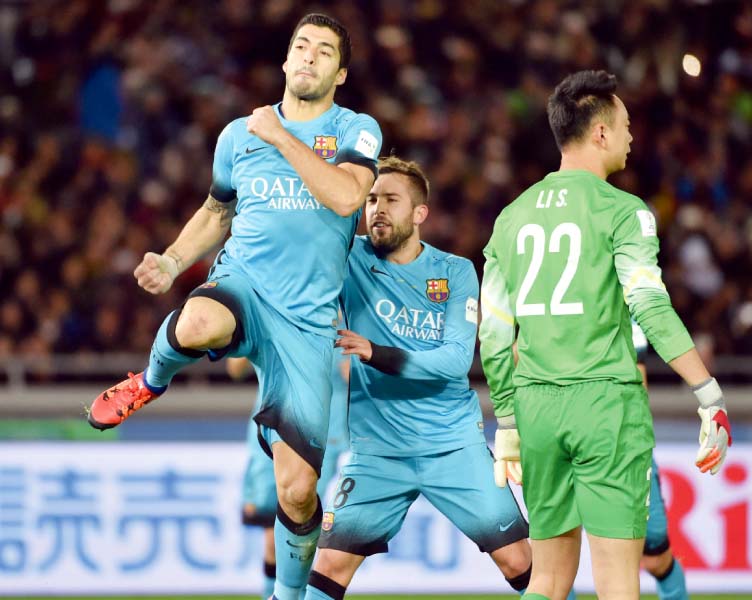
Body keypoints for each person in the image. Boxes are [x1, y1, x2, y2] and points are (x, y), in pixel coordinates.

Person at [87, 14, 382, 600]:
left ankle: (288, 595)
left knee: (297, 492)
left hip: (307, 323)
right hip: (244, 285)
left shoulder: (356, 128)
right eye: (301, 46)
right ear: (284, 60)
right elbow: (217, 211)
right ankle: (147, 382)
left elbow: (349, 194)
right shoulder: (236, 136)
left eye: (324, 52)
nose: (308, 57)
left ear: (340, 72)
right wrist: (172, 261)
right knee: (195, 321)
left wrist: (281, 137)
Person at [478, 70, 731, 600]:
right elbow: (649, 306)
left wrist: (507, 421)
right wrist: (708, 393)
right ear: (599, 133)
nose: (631, 137)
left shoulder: (510, 218)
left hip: (537, 408)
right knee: (618, 584)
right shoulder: (624, 212)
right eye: (625, 125)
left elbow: (496, 336)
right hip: (606, 407)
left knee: (546, 581)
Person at [303, 157, 533, 600]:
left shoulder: (455, 272)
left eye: (391, 200)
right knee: (330, 564)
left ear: (419, 213)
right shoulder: (349, 259)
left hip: (452, 445)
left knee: (518, 561)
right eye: (371, 200)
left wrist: (376, 352)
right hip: (377, 453)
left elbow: (453, 362)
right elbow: (304, 234)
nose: (377, 210)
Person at [228, 355, 349, 600]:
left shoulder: (350, 323)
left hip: (323, 434)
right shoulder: (274, 318)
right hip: (273, 427)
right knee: (272, 531)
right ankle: (272, 594)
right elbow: (235, 368)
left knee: (304, 519)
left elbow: (357, 375)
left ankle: (294, 594)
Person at [631, 322, 688, 600]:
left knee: (655, 556)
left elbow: (639, 378)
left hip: (624, 445)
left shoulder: (622, 311)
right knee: (555, 558)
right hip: (560, 436)